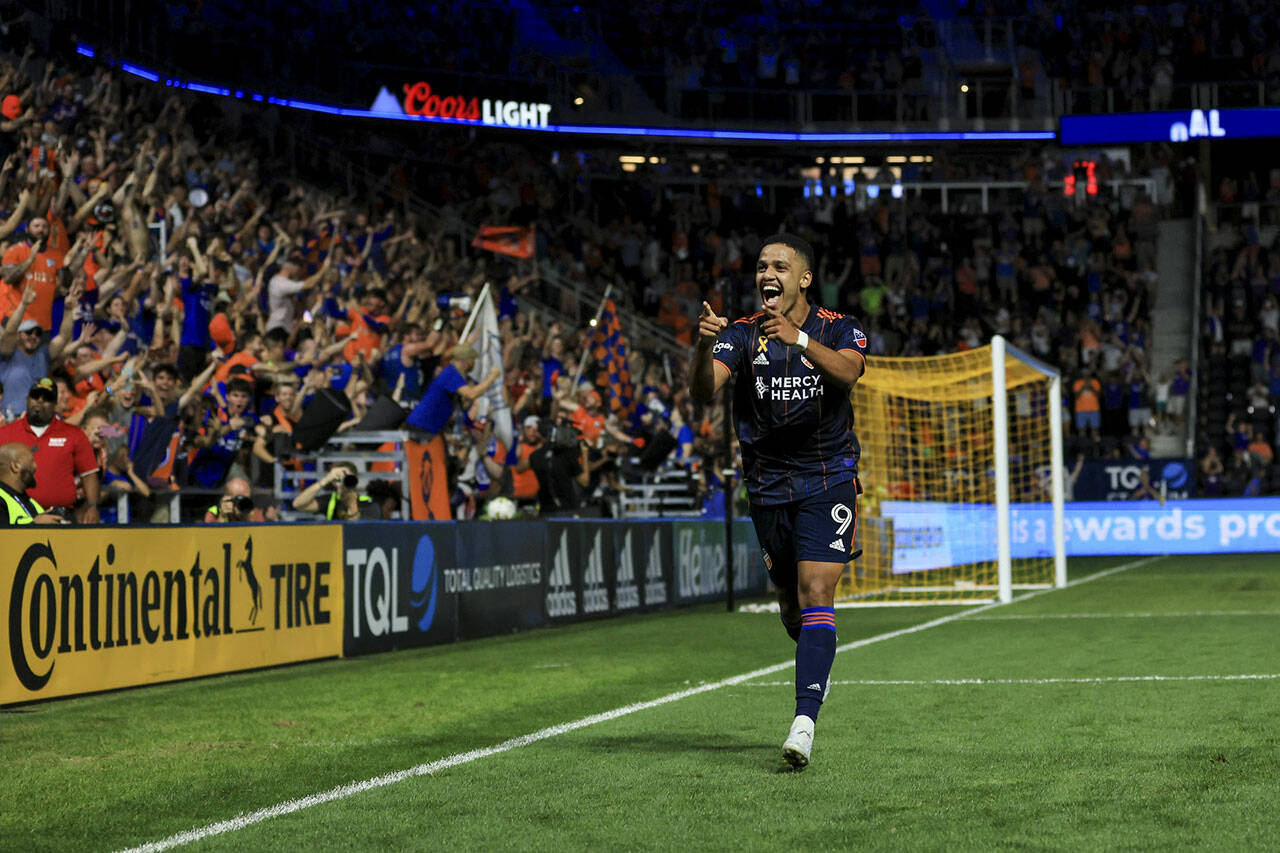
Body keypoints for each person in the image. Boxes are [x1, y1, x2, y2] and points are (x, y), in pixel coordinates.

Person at [690, 232, 867, 770]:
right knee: (792, 606)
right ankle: (817, 651)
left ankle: (803, 723)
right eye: (763, 265)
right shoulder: (740, 335)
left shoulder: (838, 328)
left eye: (781, 266)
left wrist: (799, 340)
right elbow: (704, 391)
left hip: (827, 477)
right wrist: (701, 346)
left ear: (803, 279)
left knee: (817, 590)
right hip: (767, 486)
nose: (769, 273)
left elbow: (849, 371)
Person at [0, 377, 99, 520]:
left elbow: (89, 473)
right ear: (27, 399)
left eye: (46, 398)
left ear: (55, 404)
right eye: (35, 396)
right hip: (16, 514)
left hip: (61, 515)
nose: (39, 401)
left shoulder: (74, 434)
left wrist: (92, 506)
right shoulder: (5, 433)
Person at [0, 441, 64, 524]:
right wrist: (34, 525)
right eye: (31, 461)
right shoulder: (2, 500)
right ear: (15, 466)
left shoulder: (30, 501)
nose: (35, 466)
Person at [291, 461, 377, 520]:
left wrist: (352, 503)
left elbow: (356, 531)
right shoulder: (330, 501)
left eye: (347, 477)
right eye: (339, 478)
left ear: (355, 478)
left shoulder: (369, 502)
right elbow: (298, 504)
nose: (343, 480)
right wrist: (325, 480)